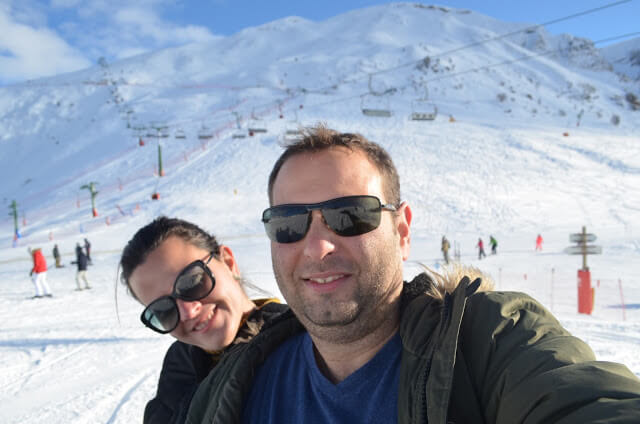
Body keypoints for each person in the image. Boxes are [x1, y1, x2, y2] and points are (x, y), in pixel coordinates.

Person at [186, 126, 640, 423]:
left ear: (401, 231)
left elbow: (584, 402)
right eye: (288, 223)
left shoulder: (488, 342)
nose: (317, 247)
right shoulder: (236, 383)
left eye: (349, 215)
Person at [118, 216, 286, 424]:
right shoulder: (181, 362)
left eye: (193, 281)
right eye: (163, 310)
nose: (188, 312)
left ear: (228, 262)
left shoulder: (305, 342)